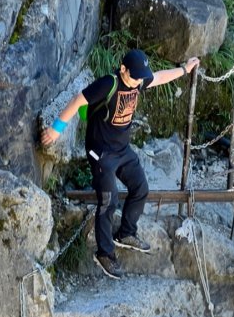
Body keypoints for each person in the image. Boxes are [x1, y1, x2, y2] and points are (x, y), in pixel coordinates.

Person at [41, 49, 200, 279]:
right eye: (134, 76)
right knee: (109, 200)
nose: (138, 81)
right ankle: (105, 253)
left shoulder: (138, 80)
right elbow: (78, 100)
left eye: (140, 77)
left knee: (141, 188)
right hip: (101, 152)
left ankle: (126, 233)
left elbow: (161, 76)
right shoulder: (109, 83)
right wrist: (56, 130)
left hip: (123, 149)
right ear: (123, 68)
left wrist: (185, 68)